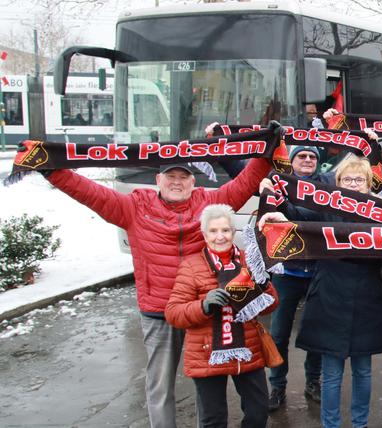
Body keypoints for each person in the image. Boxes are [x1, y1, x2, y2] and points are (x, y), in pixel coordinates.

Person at [43, 153, 272, 428]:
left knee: (207, 382)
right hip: (158, 311)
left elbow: (244, 183)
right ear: (158, 180)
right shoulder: (133, 207)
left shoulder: (208, 204)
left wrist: (266, 154)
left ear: (192, 181)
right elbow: (90, 192)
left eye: (183, 177)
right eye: (171, 177)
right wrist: (50, 170)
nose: (177, 182)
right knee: (160, 384)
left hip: (204, 312)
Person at [259, 155, 382, 428]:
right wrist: (275, 201)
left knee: (363, 371)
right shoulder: (325, 208)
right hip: (329, 297)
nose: (353, 184)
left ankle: (360, 424)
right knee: (331, 373)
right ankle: (330, 425)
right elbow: (297, 214)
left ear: (368, 185)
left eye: (359, 180)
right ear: (337, 183)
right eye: (346, 179)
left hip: (367, 299)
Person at [165, 204, 278, 428]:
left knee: (259, 412)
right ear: (205, 235)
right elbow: (173, 313)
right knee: (213, 420)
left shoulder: (249, 260)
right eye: (214, 231)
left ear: (233, 232)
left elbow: (271, 305)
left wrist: (264, 288)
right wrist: (203, 306)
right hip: (207, 353)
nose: (220, 237)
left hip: (247, 349)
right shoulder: (191, 266)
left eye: (225, 230)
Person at [264, 146, 327, 411]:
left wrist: (284, 206)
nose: (308, 160)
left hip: (316, 272)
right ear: (291, 161)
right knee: (278, 334)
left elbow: (313, 215)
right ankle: (277, 386)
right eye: (301, 156)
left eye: (312, 157)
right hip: (287, 273)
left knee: (316, 334)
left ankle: (313, 381)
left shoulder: (329, 190)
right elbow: (240, 170)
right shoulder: (279, 183)